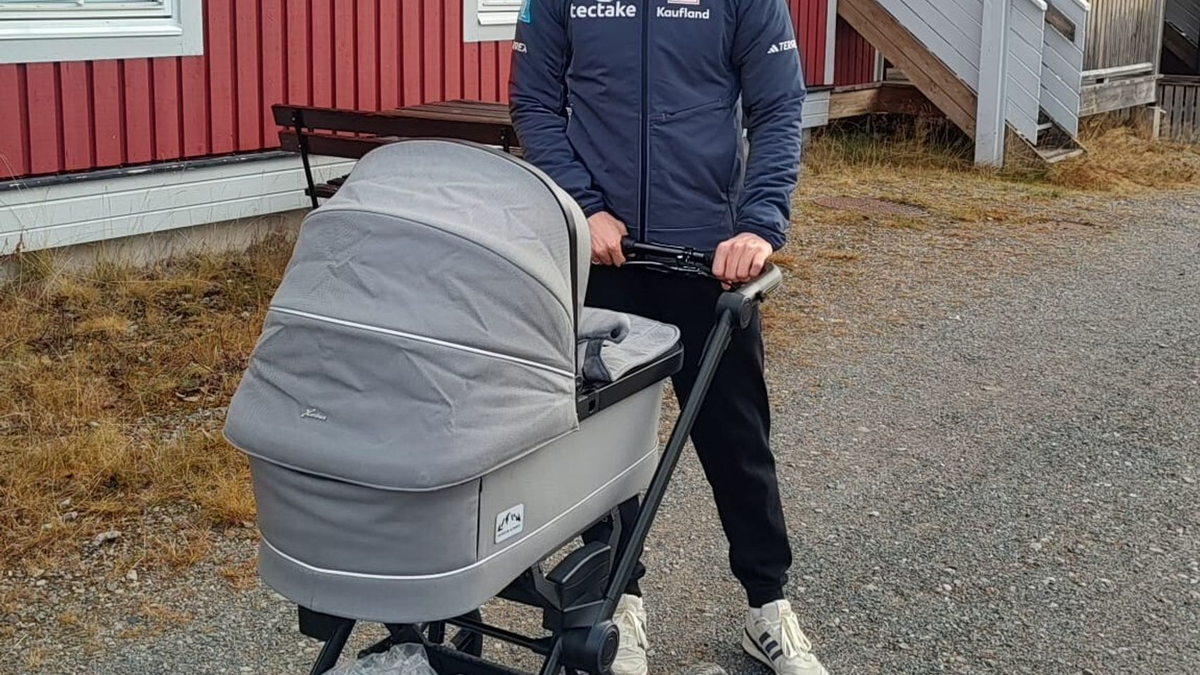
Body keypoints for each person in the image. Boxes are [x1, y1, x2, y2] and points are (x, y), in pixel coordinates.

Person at [509, 1, 827, 674]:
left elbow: (777, 108)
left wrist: (758, 224)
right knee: (602, 445)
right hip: (604, 257)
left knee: (736, 438)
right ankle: (617, 599)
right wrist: (583, 206)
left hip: (709, 259)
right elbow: (534, 104)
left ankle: (767, 605)